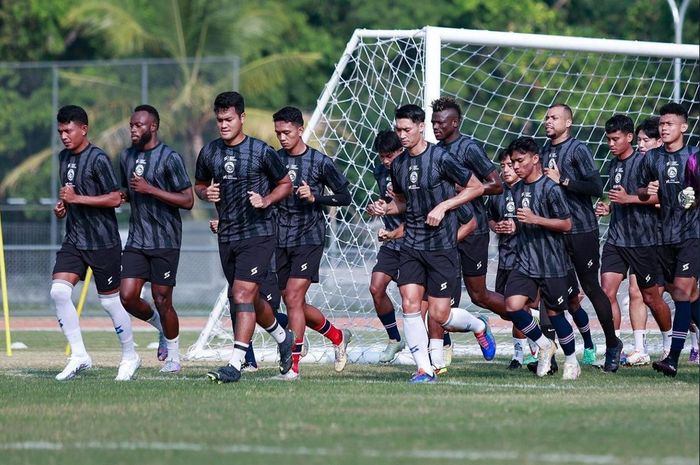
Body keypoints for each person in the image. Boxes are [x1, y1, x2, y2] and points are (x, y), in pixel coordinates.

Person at [367, 104, 495, 383]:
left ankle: (477, 324)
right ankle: (424, 369)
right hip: (412, 244)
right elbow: (402, 201)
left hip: (441, 247)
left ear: (421, 127)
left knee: (439, 315)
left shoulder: (441, 157)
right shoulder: (399, 164)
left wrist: (444, 206)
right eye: (398, 129)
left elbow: (475, 187)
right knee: (410, 305)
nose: (401, 135)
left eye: (407, 129)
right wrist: (384, 208)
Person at [196, 91, 294, 384]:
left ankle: (236, 364)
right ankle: (282, 336)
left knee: (240, 295)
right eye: (219, 120)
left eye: (229, 119)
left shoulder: (261, 152)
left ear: (242, 118)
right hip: (227, 235)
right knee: (250, 297)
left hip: (259, 234)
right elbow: (200, 185)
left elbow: (285, 184)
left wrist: (265, 200)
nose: (224, 125)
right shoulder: (210, 152)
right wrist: (206, 193)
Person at [50, 105, 139, 381]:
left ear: (83, 129)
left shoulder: (98, 158)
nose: (64, 136)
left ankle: (130, 355)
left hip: (103, 243)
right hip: (75, 240)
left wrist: (77, 199)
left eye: (69, 130)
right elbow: (69, 194)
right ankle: (79, 356)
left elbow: (116, 198)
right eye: (60, 131)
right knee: (59, 293)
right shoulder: (64, 157)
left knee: (111, 304)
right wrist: (63, 205)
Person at [272, 106, 353, 380]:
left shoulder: (320, 162)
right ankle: (338, 336)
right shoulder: (273, 160)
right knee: (292, 302)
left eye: (286, 132)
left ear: (299, 129)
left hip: (309, 237)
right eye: (278, 133)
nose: (282, 138)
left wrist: (316, 196)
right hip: (280, 237)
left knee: (293, 297)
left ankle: (293, 365)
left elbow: (344, 196)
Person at [542, 103, 623, 372]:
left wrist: (563, 180)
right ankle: (549, 354)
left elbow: (595, 187)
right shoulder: (544, 150)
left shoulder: (577, 149)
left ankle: (613, 344)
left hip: (581, 230)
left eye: (554, 117)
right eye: (546, 117)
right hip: (555, 231)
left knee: (590, 286)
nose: (548, 121)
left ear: (568, 123)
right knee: (550, 289)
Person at [118, 105, 194, 373]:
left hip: (165, 240)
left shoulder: (169, 157)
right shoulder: (126, 156)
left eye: (139, 125)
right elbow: (125, 192)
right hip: (137, 239)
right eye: (131, 125)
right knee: (126, 296)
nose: (133, 130)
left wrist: (150, 189)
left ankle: (174, 357)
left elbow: (187, 200)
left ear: (153, 127)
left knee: (163, 300)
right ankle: (160, 326)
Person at [594, 114, 672, 368]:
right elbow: (620, 197)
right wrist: (609, 208)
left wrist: (628, 199)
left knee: (651, 297)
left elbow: (660, 196)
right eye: (608, 139)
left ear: (628, 138)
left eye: (616, 139)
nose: (611, 143)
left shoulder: (645, 163)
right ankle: (613, 347)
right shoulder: (614, 165)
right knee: (606, 292)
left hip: (642, 240)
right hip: (617, 238)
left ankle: (669, 343)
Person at [501, 137, 580, 380]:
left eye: (520, 161)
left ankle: (571, 360)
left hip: (552, 263)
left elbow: (567, 224)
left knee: (556, 315)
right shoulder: (517, 189)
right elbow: (524, 221)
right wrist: (514, 227)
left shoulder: (551, 188)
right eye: (513, 162)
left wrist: (537, 220)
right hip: (525, 261)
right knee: (512, 305)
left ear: (535, 159)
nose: (515, 166)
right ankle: (544, 344)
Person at [430, 97, 508, 320]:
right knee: (441, 293)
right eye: (434, 122)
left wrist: (465, 187)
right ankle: (442, 347)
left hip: (474, 230)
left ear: (454, 123)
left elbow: (496, 185)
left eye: (441, 123)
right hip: (445, 230)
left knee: (478, 295)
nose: (436, 126)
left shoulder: (469, 148)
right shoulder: (435, 151)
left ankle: (526, 317)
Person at [638, 103, 699, 377]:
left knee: (682, 293)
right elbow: (642, 190)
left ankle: (672, 358)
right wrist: (646, 191)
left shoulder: (694, 157)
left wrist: (695, 198)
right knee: (689, 297)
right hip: (665, 235)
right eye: (662, 124)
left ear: (683, 127)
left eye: (670, 124)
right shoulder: (653, 158)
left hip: (692, 233)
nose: (664, 128)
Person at [488, 148, 539, 369]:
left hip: (527, 259)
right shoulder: (498, 192)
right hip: (505, 259)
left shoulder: (530, 190)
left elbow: (541, 219)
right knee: (511, 311)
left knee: (521, 308)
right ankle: (530, 346)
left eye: (510, 165)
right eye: (503, 167)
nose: (507, 170)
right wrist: (497, 226)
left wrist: (518, 225)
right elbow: (490, 217)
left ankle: (524, 354)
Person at [369, 130, 407, 363]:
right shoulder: (381, 171)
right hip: (392, 242)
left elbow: (418, 207)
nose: (385, 161)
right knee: (376, 287)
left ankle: (442, 343)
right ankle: (395, 339)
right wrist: (376, 206)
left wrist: (401, 200)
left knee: (413, 300)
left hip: (415, 241)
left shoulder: (413, 169)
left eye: (389, 155)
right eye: (382, 156)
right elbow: (384, 201)